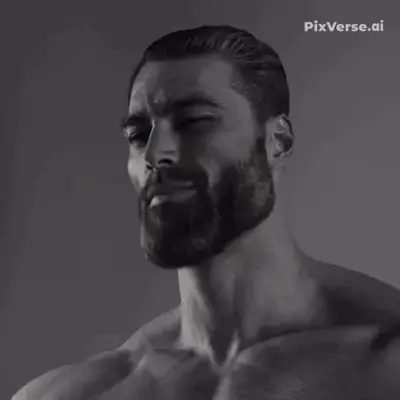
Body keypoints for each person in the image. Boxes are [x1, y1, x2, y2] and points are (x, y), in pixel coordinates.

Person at [12, 25, 400, 400]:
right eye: (138, 136)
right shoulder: (77, 393)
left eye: (194, 122)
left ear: (277, 142)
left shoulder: (383, 366)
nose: (154, 154)